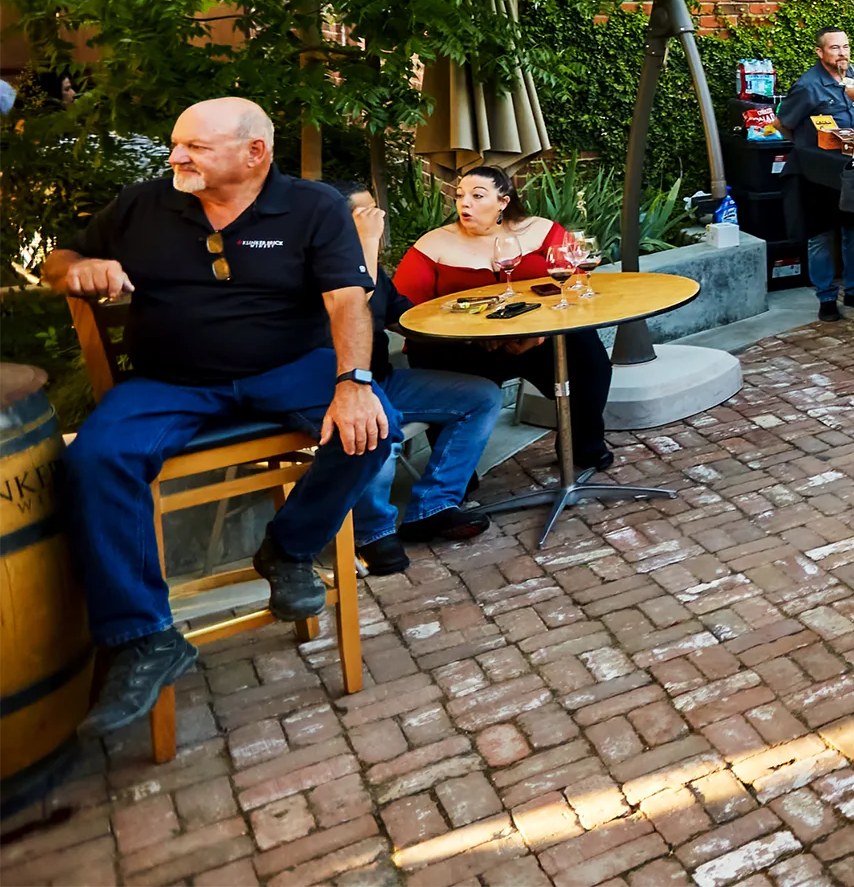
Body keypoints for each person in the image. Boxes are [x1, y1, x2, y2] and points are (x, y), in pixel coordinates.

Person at [45, 98, 396, 734]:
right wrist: (78, 268)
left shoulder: (312, 207)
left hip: (288, 367)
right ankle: (143, 636)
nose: (176, 156)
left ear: (254, 153)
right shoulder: (144, 204)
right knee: (93, 461)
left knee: (372, 428)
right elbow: (58, 260)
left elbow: (348, 299)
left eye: (196, 148)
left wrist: (353, 382)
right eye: (177, 143)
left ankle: (288, 549)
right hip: (170, 380)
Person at [394, 166, 614, 471]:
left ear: (503, 202)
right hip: (462, 349)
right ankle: (452, 480)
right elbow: (403, 310)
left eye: (477, 195)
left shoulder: (540, 231)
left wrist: (539, 334)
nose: (464, 203)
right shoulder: (432, 245)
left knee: (586, 353)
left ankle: (583, 448)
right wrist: (467, 335)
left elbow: (576, 284)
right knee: (429, 357)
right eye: (460, 196)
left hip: (537, 340)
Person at [330, 181, 504, 568]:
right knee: (379, 424)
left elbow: (405, 316)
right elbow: (354, 308)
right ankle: (372, 534)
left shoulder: (370, 264)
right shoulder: (314, 266)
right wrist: (366, 245)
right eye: (365, 213)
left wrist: (475, 327)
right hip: (340, 387)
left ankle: (433, 506)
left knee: (482, 396)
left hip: (385, 380)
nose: (378, 219)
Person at [778, 25, 854, 322]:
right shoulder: (807, 86)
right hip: (816, 175)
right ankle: (827, 298)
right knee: (820, 236)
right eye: (834, 48)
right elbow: (782, 123)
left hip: (851, 170)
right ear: (820, 52)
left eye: (845, 46)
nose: (842, 52)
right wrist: (806, 148)